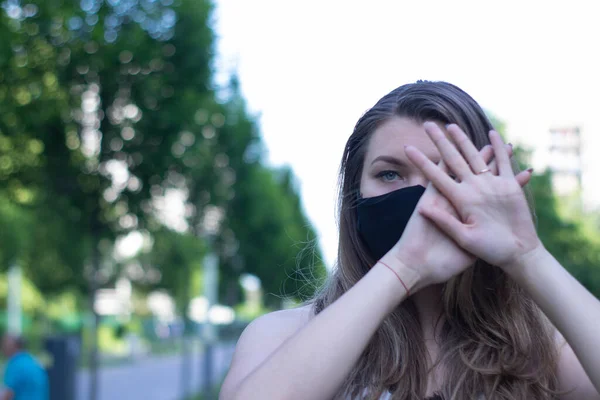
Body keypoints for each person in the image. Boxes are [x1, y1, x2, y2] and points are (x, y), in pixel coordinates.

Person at [219, 81, 600, 399]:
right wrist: (402, 268)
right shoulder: (283, 335)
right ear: (354, 195)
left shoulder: (547, 349)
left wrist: (527, 256)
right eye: (389, 175)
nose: (423, 199)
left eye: (448, 172)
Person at [1, 334, 49, 400]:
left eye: (4, 343)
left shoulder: (15, 365)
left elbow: (6, 395)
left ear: (12, 345)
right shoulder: (34, 362)